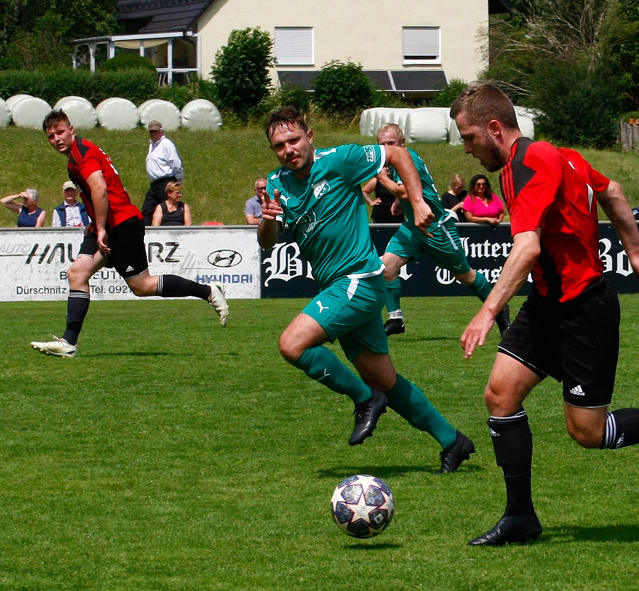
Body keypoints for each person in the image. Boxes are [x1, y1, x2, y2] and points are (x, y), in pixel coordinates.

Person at [450, 83, 639, 546]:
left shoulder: (527, 164)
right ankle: (520, 517)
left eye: (468, 138)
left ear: (494, 128)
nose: (467, 149)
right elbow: (613, 191)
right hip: (548, 304)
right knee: (500, 396)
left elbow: (527, 246)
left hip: (584, 310)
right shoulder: (562, 157)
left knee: (588, 432)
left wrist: (487, 311)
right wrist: (636, 254)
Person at [257, 107, 475, 473]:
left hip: (359, 280)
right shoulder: (277, 183)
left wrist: (417, 202)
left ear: (310, 136)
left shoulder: (339, 159)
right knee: (385, 379)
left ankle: (364, 399)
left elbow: (397, 154)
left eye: (294, 140)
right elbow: (267, 243)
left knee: (292, 344)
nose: (288, 149)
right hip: (339, 287)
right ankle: (453, 441)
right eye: (279, 145)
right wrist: (267, 220)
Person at [29, 110, 228, 358]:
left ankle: (208, 291)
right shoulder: (79, 153)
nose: (56, 139)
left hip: (120, 224)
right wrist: (98, 225)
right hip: (106, 224)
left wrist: (101, 228)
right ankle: (69, 343)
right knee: (77, 273)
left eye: (60, 132)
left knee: (142, 286)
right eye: (51, 136)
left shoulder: (81, 154)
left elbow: (100, 189)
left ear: (71, 129)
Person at [374, 123, 510, 337]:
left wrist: (383, 179)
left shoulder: (407, 158)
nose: (386, 148)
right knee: (386, 267)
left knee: (466, 276)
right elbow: (414, 192)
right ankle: (396, 319)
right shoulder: (394, 162)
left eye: (390, 143)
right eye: (382, 145)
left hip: (436, 226)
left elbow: (407, 192)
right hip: (413, 225)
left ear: (402, 143)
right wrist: (401, 205)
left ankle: (500, 310)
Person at [142, 120, 183, 225]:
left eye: (156, 131)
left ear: (161, 131)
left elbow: (176, 164)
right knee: (147, 209)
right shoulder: (152, 145)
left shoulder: (166, 144)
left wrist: (177, 181)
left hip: (166, 181)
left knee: (166, 209)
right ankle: (144, 233)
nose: (153, 134)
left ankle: (167, 229)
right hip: (155, 183)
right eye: (151, 132)